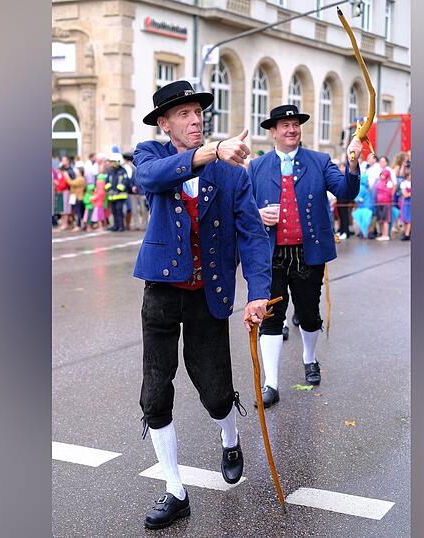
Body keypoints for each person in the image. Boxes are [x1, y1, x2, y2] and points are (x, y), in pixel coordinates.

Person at [132, 80, 271, 530]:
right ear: (165, 123)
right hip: (162, 289)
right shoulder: (150, 155)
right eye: (184, 114)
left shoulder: (233, 173)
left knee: (214, 387)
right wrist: (212, 151)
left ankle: (230, 438)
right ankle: (175, 490)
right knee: (155, 389)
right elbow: (151, 178)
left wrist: (258, 293)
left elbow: (251, 235)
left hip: (208, 291)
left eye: (198, 112)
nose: (195, 120)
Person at [248, 103, 362, 408]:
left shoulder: (320, 161)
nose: (291, 129)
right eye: (284, 125)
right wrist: (258, 215)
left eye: (295, 124)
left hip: (308, 253)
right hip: (270, 255)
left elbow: (346, 192)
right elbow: (243, 209)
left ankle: (309, 359)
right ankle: (271, 382)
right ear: (272, 132)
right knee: (271, 318)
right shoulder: (257, 167)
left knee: (309, 316)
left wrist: (352, 163)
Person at [105, 153, 130, 231]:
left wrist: (118, 189)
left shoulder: (123, 171)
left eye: (113, 161)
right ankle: (115, 226)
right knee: (114, 211)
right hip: (112, 195)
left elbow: (125, 182)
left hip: (120, 195)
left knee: (119, 211)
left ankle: (121, 226)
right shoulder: (110, 171)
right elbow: (107, 181)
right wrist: (109, 189)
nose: (111, 163)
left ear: (118, 161)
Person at [374, 156, 395, 240]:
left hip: (386, 202)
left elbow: (390, 192)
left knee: (386, 219)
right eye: (381, 174)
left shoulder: (389, 182)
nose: (382, 176)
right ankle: (382, 234)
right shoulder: (379, 181)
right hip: (379, 202)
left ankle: (386, 235)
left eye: (383, 174)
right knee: (381, 219)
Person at [400, 165, 412, 240]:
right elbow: (405, 195)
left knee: (410, 219)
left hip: (410, 203)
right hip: (406, 203)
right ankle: (405, 232)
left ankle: (407, 234)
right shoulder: (403, 183)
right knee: (405, 219)